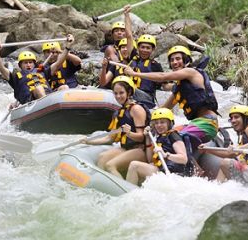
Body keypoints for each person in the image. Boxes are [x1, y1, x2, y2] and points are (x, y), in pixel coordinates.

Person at [124, 45, 219, 175]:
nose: (175, 62)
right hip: (196, 124)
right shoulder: (179, 89)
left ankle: (196, 170)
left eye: (178, 59)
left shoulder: (191, 72)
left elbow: (163, 76)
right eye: (172, 60)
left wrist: (135, 74)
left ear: (186, 61)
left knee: (177, 136)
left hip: (208, 123)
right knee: (169, 133)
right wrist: (147, 122)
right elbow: (164, 109)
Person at [82, 76, 148, 178]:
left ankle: (125, 191)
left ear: (129, 92)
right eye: (115, 93)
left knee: (110, 165)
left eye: (121, 93)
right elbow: (110, 138)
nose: (118, 96)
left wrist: (129, 133)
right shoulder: (119, 113)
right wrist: (88, 141)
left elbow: (142, 136)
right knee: (102, 158)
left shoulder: (136, 109)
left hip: (140, 151)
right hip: (126, 149)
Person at [199, 105, 248, 188]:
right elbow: (230, 154)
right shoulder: (243, 136)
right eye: (231, 118)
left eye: (236, 117)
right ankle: (216, 189)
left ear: (246, 118)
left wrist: (240, 148)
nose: (233, 121)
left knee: (226, 162)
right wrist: (207, 150)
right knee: (225, 164)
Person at [0, 37, 77, 105]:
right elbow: (1, 68)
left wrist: (68, 47)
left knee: (64, 87)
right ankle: (47, 107)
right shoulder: (15, 76)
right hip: (30, 101)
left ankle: (64, 109)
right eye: (25, 63)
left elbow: (59, 63)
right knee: (38, 88)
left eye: (30, 62)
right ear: (20, 65)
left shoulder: (43, 71)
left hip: (49, 97)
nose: (28, 65)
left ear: (34, 63)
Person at [126, 108, 188, 185]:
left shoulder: (174, 136)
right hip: (161, 170)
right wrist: (148, 138)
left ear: (169, 123)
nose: (159, 125)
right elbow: (150, 160)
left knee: (134, 165)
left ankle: (129, 194)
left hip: (172, 174)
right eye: (156, 123)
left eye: (162, 122)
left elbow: (183, 159)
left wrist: (166, 155)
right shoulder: (160, 137)